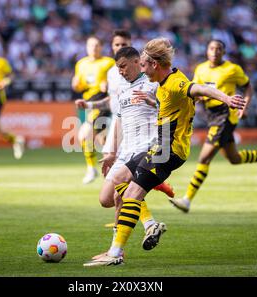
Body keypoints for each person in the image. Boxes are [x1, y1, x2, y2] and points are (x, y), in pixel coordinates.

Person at [84, 37, 246, 266]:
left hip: (167, 151)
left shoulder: (173, 83)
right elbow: (193, 95)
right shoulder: (163, 83)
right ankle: (129, 237)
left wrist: (227, 98)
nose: (141, 69)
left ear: (154, 65)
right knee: (120, 181)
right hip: (160, 148)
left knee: (130, 195)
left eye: (143, 65)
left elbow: (197, 88)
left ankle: (117, 252)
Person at [76, 46, 174, 256]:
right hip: (125, 151)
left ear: (137, 62)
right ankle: (148, 220)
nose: (120, 71)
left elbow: (169, 111)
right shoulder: (122, 89)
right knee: (106, 199)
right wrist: (111, 152)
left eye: (123, 66)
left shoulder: (153, 83)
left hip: (147, 148)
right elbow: (118, 122)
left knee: (124, 191)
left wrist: (155, 106)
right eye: (118, 68)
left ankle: (117, 250)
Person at [169, 39, 257, 213]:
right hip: (212, 115)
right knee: (234, 158)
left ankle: (187, 200)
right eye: (211, 48)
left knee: (204, 158)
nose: (215, 52)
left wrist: (244, 107)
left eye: (218, 49)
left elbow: (248, 88)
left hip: (226, 115)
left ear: (224, 52)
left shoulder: (232, 69)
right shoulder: (200, 69)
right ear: (207, 51)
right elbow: (197, 91)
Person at [71, 36, 115, 184]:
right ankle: (114, 169)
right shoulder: (81, 64)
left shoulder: (108, 62)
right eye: (90, 45)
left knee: (84, 135)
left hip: (102, 101)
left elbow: (117, 79)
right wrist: (76, 85)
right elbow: (79, 85)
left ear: (101, 47)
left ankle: (91, 169)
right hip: (87, 103)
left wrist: (108, 84)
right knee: (102, 140)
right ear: (86, 47)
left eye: (96, 45)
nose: (93, 48)